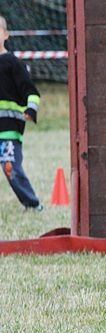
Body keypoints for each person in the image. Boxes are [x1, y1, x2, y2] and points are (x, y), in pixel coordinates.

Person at [0, 15, 43, 212]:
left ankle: (32, 204)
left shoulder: (12, 63)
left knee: (11, 169)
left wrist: (31, 109)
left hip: (8, 130)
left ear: (5, 35)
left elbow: (31, 92)